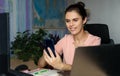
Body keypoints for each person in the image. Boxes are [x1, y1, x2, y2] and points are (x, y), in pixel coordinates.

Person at [38, 1, 101, 71]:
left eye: (75, 20)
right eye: (68, 21)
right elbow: (40, 64)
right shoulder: (66, 39)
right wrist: (47, 52)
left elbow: (88, 70)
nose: (71, 24)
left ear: (84, 20)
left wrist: (62, 66)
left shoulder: (95, 40)